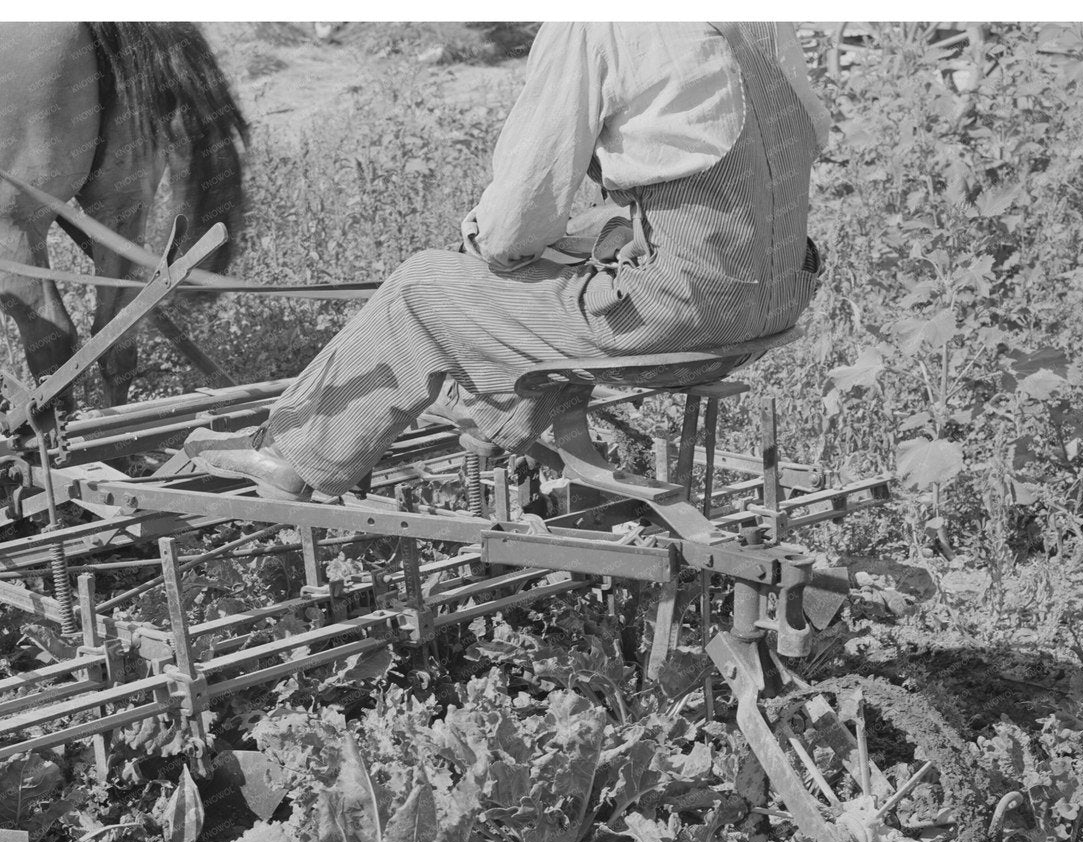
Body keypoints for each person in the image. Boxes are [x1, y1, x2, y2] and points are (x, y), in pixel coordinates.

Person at [185, 22, 830, 501]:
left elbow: (517, 218)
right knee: (586, 237)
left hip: (678, 319)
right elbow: (803, 142)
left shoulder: (596, 23)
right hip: (772, 306)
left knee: (423, 287)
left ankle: (294, 456)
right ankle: (497, 423)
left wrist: (486, 249)